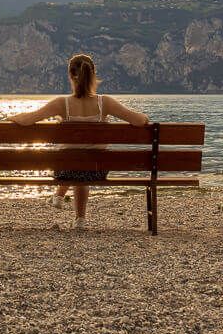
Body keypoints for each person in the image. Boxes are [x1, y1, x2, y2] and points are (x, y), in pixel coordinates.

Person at [8, 54, 149, 229]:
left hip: (65, 170)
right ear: (93, 75)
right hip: (97, 170)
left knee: (74, 163)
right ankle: (79, 219)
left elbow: (28, 119)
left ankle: (59, 197)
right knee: (83, 165)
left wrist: (12, 116)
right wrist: (145, 116)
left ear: (70, 76)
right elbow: (139, 121)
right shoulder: (105, 103)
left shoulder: (61, 103)